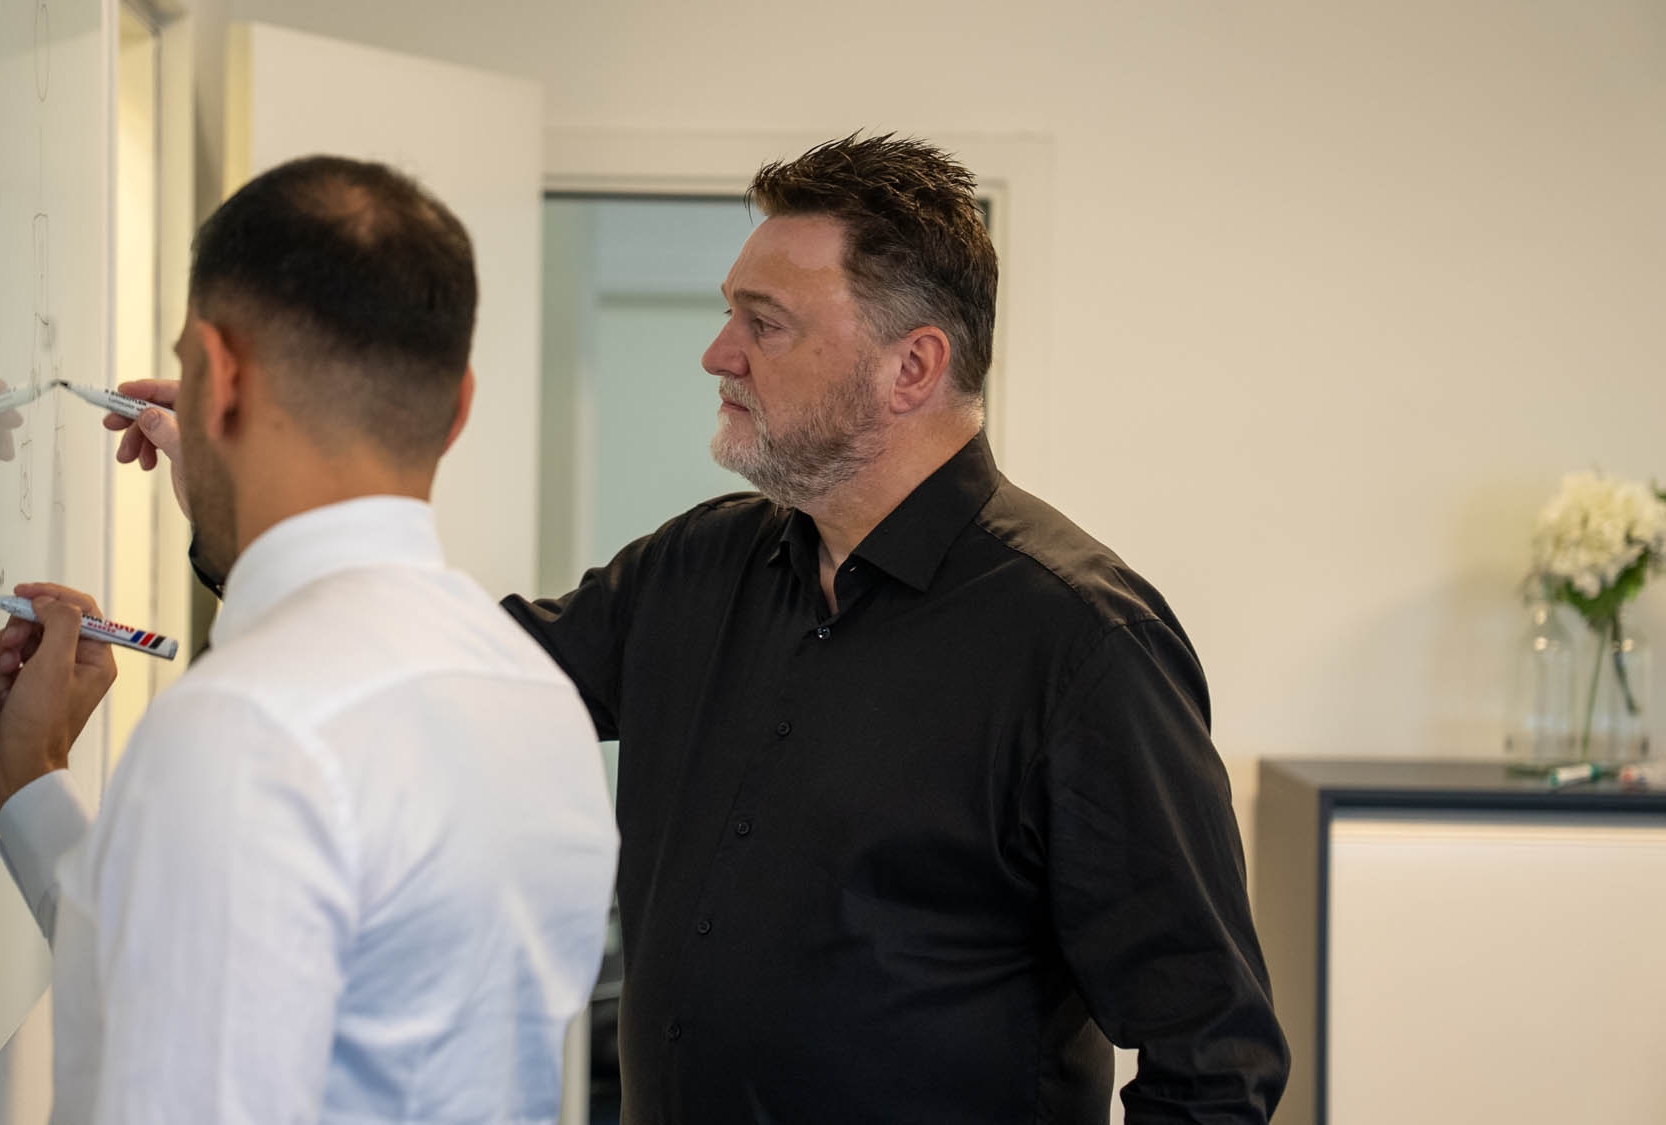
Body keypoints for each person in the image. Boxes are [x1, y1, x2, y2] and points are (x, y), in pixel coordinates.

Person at [111, 135, 1289, 1122]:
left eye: (761, 324)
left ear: (912, 366)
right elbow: (441, 670)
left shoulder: (1079, 642)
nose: (715, 354)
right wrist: (239, 483)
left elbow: (1213, 1060)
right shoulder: (699, 566)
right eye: (729, 314)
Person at [0, 155, 619, 1123]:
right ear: (458, 408)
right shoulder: (531, 698)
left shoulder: (251, 730)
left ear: (221, 373)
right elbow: (198, 986)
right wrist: (32, 785)